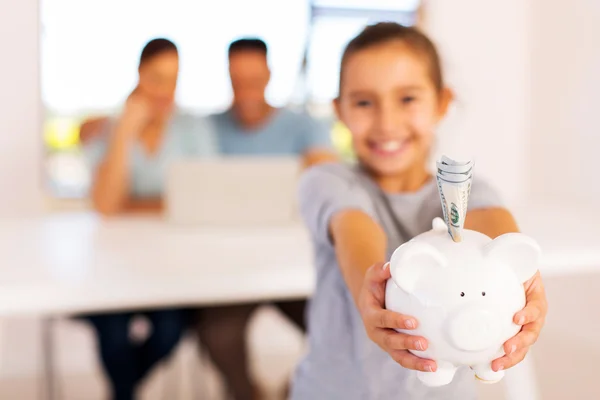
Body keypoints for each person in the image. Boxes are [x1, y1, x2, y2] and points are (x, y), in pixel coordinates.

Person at [290, 22, 548, 399]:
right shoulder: (326, 181)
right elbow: (354, 231)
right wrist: (372, 287)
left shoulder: (468, 192)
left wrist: (525, 283)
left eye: (407, 99)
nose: (387, 123)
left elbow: (497, 231)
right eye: (364, 102)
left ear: (442, 103)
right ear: (339, 110)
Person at [193, 38, 338, 400]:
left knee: (337, 329)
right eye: (237, 79)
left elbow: (328, 178)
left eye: (254, 78)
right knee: (217, 335)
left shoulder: (304, 127)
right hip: (230, 271)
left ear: (270, 75)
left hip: (295, 268)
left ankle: (292, 391)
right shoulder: (206, 128)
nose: (246, 90)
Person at [83, 38, 215, 400]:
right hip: (113, 265)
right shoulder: (110, 128)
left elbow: (199, 198)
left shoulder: (192, 128)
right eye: (157, 78)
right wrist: (125, 132)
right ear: (139, 76)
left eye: (173, 80)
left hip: (171, 265)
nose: (164, 91)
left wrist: (132, 202)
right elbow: (107, 206)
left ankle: (122, 393)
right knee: (112, 330)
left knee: (170, 329)